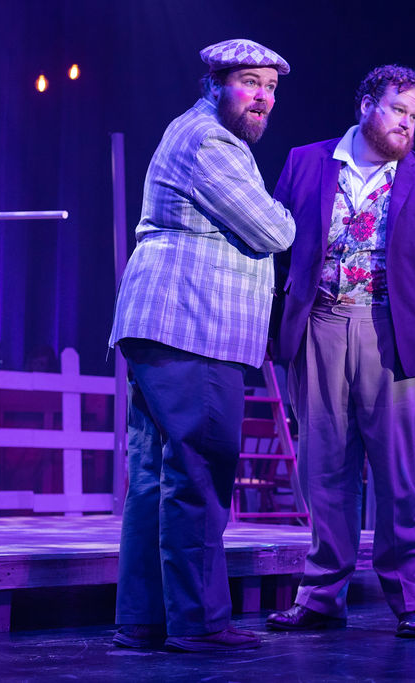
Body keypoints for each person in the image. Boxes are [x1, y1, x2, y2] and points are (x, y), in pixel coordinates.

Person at [265, 65, 415, 638]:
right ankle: (320, 595)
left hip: (397, 334)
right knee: (324, 470)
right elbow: (274, 253)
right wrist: (271, 333)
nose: (407, 124)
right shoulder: (306, 162)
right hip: (320, 326)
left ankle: (412, 597)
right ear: (365, 105)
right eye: (398, 110)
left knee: (403, 473)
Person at [108, 39, 295, 652]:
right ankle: (199, 622)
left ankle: (144, 620)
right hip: (194, 323)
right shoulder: (209, 140)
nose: (263, 97)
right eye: (250, 82)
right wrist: (287, 214)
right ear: (215, 84)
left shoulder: (194, 133)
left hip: (165, 325)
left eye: (271, 87)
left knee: (153, 478)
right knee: (198, 473)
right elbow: (272, 229)